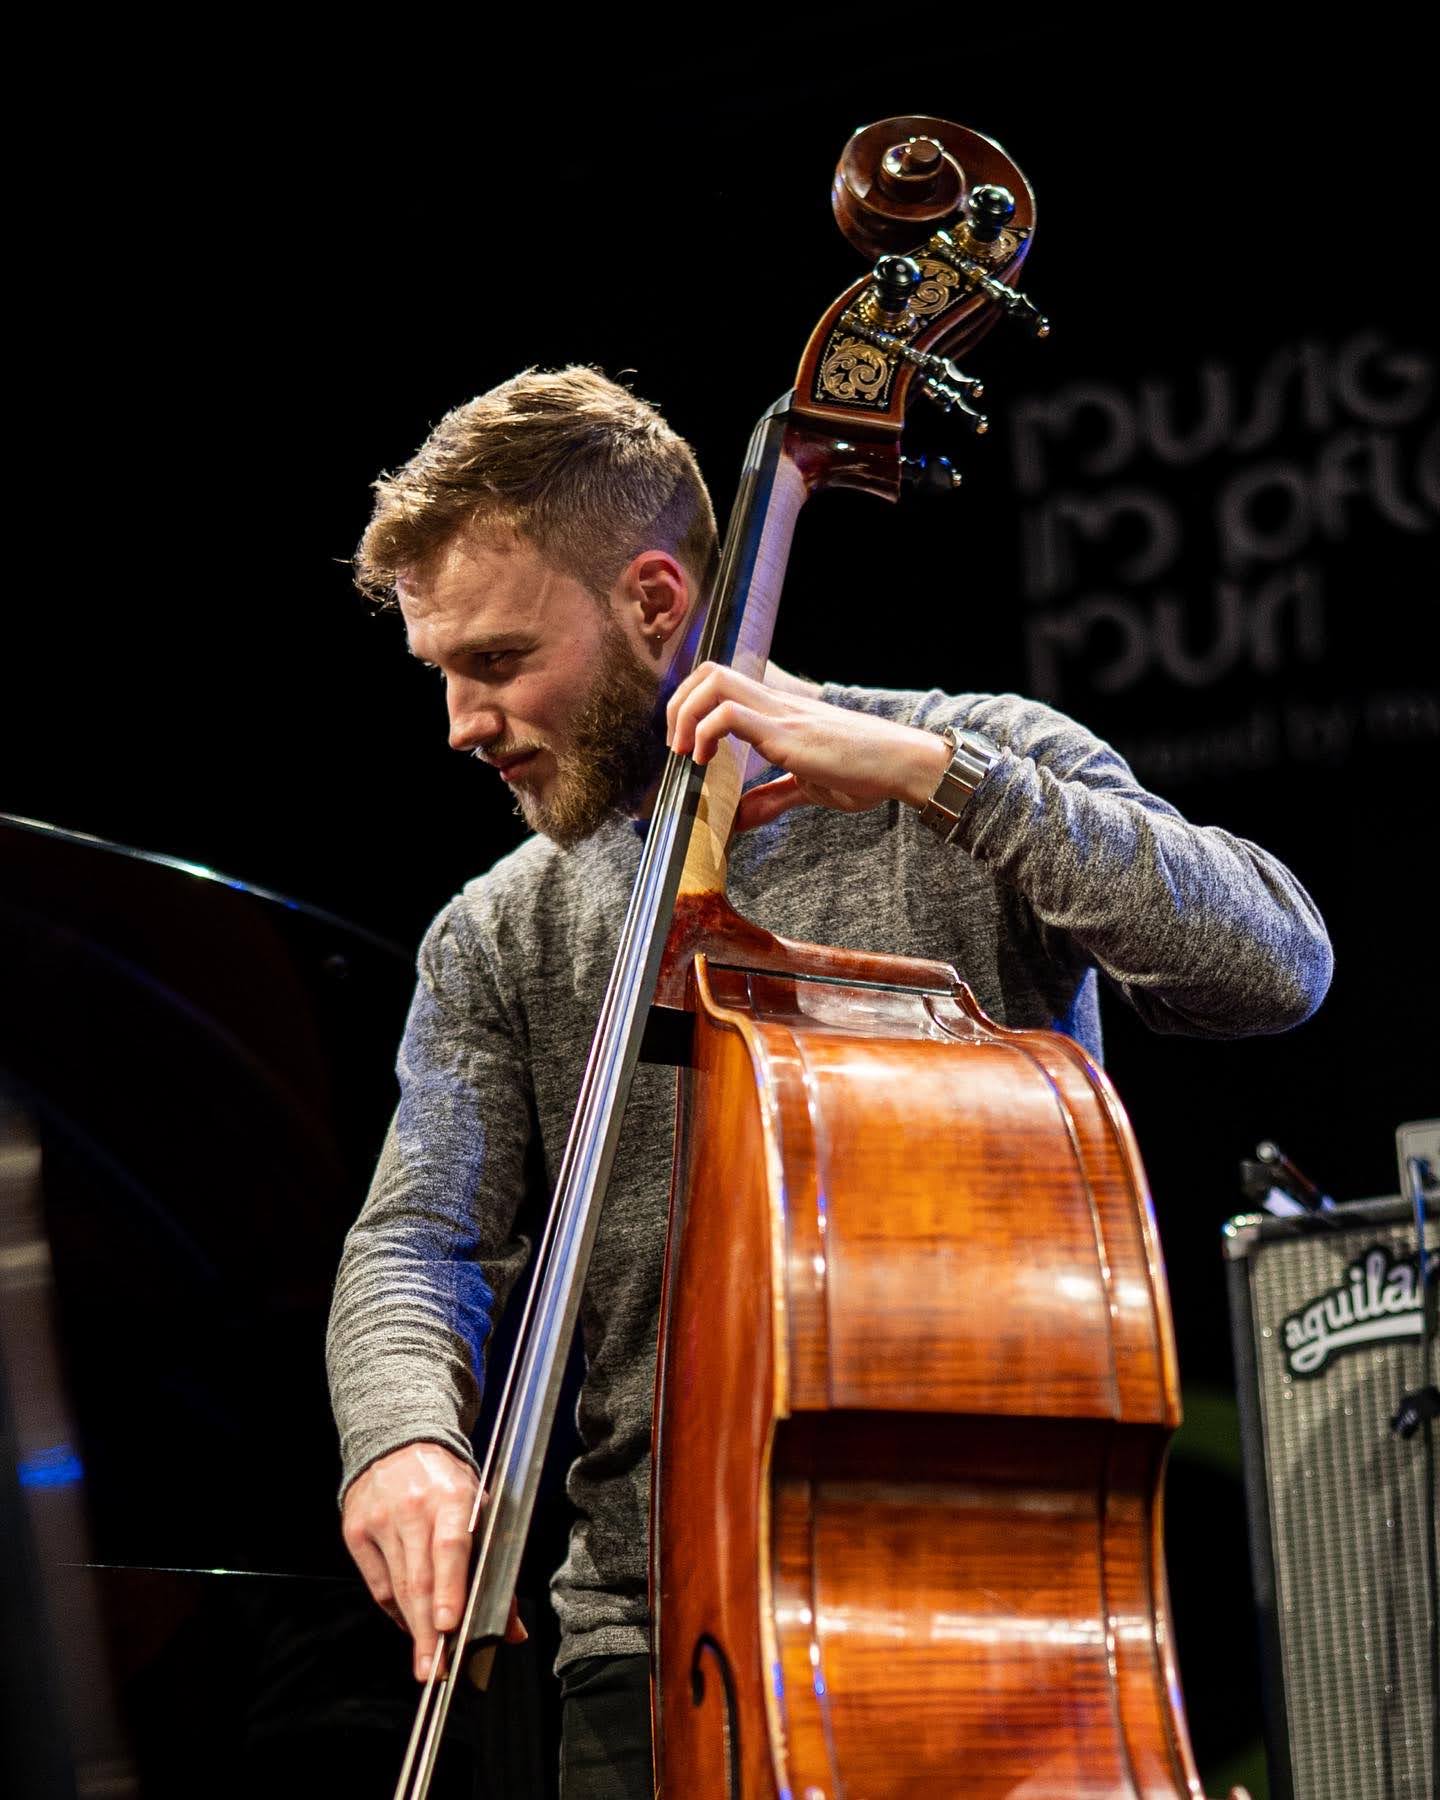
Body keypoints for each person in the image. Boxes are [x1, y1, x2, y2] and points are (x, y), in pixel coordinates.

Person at [326, 365, 1332, 1798]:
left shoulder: (976, 766)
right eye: (440, 672)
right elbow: (418, 1240)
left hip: (1002, 1624)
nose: (459, 721)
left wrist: (944, 777)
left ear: (657, 606)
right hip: (653, 1648)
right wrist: (403, 1442)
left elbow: (1273, 961)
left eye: (493, 661)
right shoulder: (502, 928)